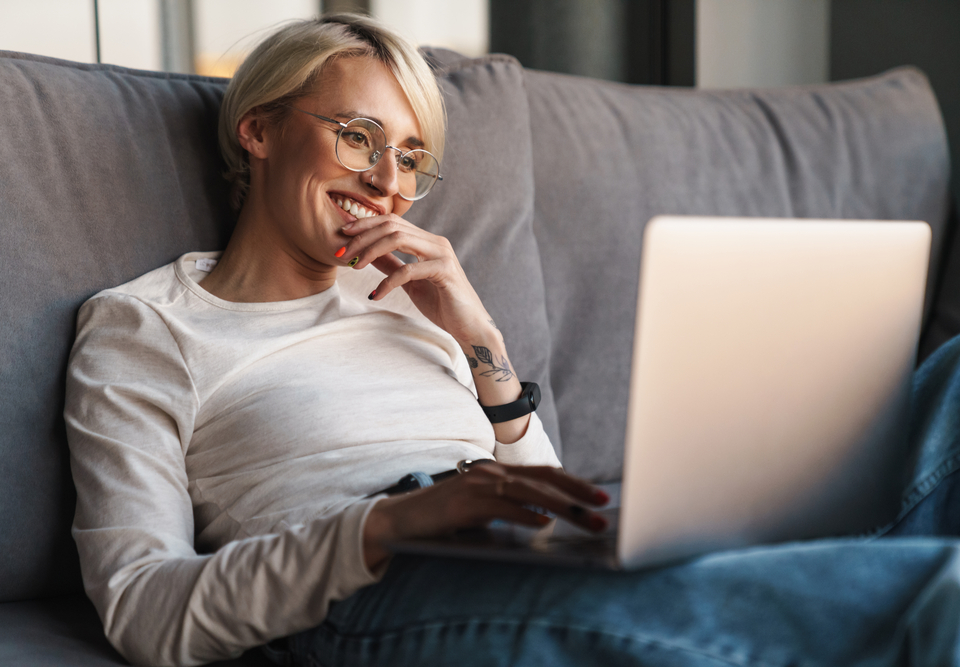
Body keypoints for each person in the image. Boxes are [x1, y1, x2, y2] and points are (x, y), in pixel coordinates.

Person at [64, 13, 960, 667]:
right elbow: (144, 608)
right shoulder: (146, 326)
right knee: (938, 592)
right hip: (377, 589)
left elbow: (544, 498)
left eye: (411, 156)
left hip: (502, 538)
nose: (387, 181)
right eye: (358, 137)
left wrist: (485, 344)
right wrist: (388, 524)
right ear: (257, 129)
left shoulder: (411, 302)